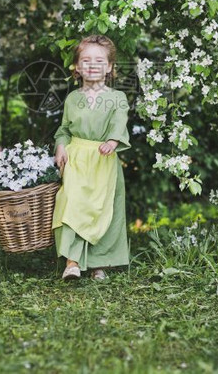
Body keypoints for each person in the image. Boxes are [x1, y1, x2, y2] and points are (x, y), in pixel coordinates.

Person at [53, 35, 131, 280]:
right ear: (77, 67)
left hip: (102, 160)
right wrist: (61, 146)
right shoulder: (72, 99)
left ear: (109, 67)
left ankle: (99, 263)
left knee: (102, 210)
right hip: (77, 159)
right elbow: (64, 129)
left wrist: (113, 141)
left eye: (99, 60)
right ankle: (72, 262)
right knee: (72, 203)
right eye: (86, 60)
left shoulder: (117, 98)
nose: (92, 65)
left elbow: (120, 121)